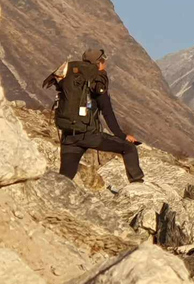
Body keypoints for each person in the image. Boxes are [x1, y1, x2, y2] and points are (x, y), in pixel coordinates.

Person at [43, 48, 144, 183]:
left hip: (69, 136)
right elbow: (107, 112)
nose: (105, 63)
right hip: (90, 135)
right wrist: (122, 136)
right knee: (128, 148)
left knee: (65, 178)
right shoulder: (96, 81)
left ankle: (50, 200)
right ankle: (137, 185)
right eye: (104, 60)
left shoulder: (71, 79)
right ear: (99, 63)